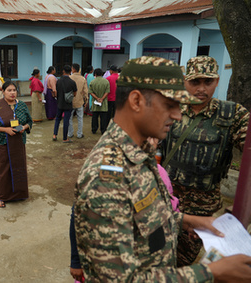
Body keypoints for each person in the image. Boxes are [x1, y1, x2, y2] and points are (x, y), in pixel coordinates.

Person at [74, 56, 251, 282]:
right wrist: (211, 272)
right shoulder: (107, 177)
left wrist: (187, 221)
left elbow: (141, 218)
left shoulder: (139, 151)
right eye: (170, 105)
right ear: (136, 101)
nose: (178, 115)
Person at [161, 55, 250, 267]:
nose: (202, 89)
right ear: (185, 81)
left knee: (182, 260)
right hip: (167, 200)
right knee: (158, 254)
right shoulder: (171, 108)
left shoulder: (233, 115)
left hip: (202, 207)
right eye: (195, 82)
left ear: (217, 81)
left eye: (208, 82)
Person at [0, 81, 33, 208]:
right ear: (3, 92)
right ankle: (1, 196)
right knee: (3, 168)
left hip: (18, 142)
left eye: (14, 90)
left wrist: (24, 127)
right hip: (2, 142)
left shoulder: (22, 105)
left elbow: (29, 121)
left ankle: (19, 194)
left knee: (19, 166)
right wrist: (5, 130)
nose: (12, 93)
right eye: (9, 90)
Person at [53, 65, 77, 143]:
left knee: (57, 119)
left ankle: (54, 135)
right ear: (70, 72)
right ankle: (64, 138)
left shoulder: (58, 81)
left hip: (59, 103)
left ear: (63, 71)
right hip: (68, 104)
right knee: (66, 121)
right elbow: (75, 94)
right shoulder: (72, 82)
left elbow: (56, 92)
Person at [68, 63, 88, 139]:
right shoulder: (83, 79)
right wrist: (86, 101)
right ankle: (79, 134)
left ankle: (70, 133)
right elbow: (86, 92)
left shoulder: (69, 78)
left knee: (70, 118)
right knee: (80, 119)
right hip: (80, 102)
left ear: (73, 69)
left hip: (71, 101)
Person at [89, 68, 110, 134]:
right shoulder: (106, 81)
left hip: (95, 102)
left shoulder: (92, 82)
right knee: (103, 117)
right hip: (103, 102)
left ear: (95, 74)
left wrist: (97, 98)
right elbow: (107, 92)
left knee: (94, 117)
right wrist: (102, 98)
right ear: (102, 73)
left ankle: (94, 129)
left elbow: (91, 92)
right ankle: (103, 130)